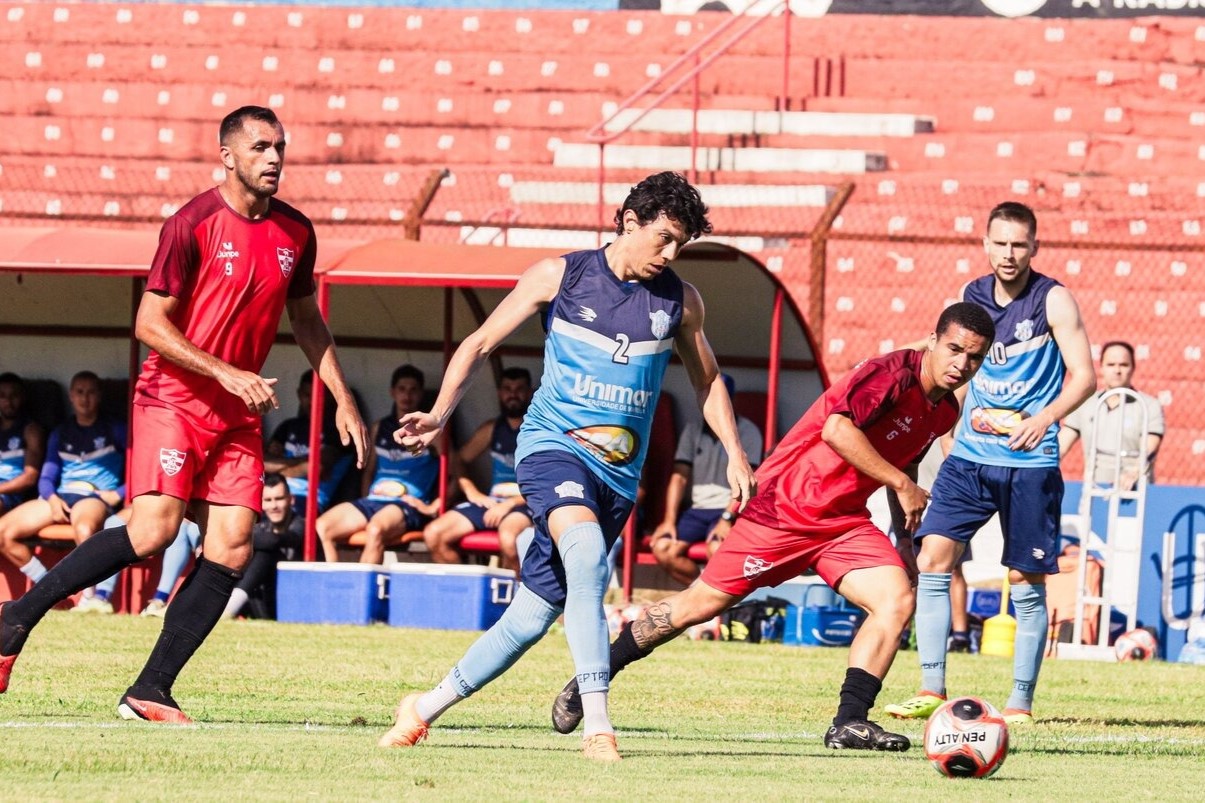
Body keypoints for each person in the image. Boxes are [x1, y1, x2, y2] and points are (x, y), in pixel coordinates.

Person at [0, 106, 367, 723]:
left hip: (239, 411)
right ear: (227, 156)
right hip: (173, 398)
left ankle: (150, 690)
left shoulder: (297, 232)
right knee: (154, 532)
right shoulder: (190, 224)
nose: (274, 158)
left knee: (231, 546)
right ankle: (15, 619)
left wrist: (344, 399)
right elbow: (149, 323)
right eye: (259, 148)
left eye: (280, 147)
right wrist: (224, 370)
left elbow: (306, 320)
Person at [377, 171, 756, 762]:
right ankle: (598, 725)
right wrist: (440, 414)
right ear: (629, 221)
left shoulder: (681, 301)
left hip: (618, 479)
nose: (671, 253)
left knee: (529, 618)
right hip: (552, 447)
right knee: (587, 561)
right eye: (664, 238)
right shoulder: (562, 275)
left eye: (682, 244)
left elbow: (706, 379)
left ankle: (423, 708)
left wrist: (734, 452)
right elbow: (478, 343)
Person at [549, 302, 995, 752]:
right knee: (696, 607)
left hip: (843, 523)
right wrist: (900, 483)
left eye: (974, 357)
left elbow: (906, 465)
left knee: (896, 599)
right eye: (954, 349)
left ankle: (850, 722)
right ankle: (594, 674)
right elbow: (837, 430)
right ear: (934, 341)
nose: (961, 364)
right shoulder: (890, 374)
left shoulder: (943, 412)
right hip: (783, 510)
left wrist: (903, 538)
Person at [886, 201, 1095, 726]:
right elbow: (939, 361)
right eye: (1000, 243)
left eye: (1019, 244)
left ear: (1034, 247)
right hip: (969, 461)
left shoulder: (1054, 301)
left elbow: (1085, 377)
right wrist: (946, 433)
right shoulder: (966, 299)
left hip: (1030, 463)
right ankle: (932, 687)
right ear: (985, 243)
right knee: (932, 558)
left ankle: (1020, 702)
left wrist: (1044, 419)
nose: (1008, 253)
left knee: (1026, 580)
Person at [0, 371, 126, 586]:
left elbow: (140, 467)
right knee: (2, 533)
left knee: (84, 529)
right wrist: (51, 497)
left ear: (100, 395)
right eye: (79, 392)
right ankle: (47, 588)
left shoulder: (116, 428)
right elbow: (47, 476)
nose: (85, 398)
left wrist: (120, 493)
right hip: (60, 496)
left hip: (93, 495)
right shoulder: (61, 431)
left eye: (91, 392)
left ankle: (91, 598)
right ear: (71, 396)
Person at [316, 364, 440, 565]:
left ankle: (363, 592)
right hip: (374, 500)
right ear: (392, 392)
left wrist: (434, 506)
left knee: (375, 529)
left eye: (413, 390)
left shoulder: (431, 432)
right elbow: (369, 471)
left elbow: (456, 472)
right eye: (402, 389)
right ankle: (334, 586)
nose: (407, 395)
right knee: (323, 526)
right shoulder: (379, 427)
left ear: (421, 394)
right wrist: (366, 497)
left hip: (406, 505)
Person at [651, 373, 763, 585]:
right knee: (664, 549)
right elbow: (679, 477)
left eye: (722, 402)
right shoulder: (693, 430)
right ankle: (700, 595)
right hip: (697, 510)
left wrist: (728, 518)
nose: (716, 407)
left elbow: (748, 480)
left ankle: (716, 607)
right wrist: (668, 520)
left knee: (718, 550)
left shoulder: (748, 432)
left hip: (729, 509)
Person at [423, 366, 534, 571]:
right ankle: (465, 597)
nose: (513, 394)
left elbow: (547, 482)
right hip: (492, 503)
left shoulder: (539, 430)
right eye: (507, 388)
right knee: (433, 534)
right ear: (500, 393)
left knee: (510, 541)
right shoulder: (493, 428)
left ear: (529, 393)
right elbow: (458, 460)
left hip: (525, 503)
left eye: (519, 389)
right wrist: (471, 491)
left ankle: (514, 601)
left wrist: (509, 504)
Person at [1058, 340, 1164, 490]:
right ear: (1101, 367)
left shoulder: (1149, 405)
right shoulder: (1085, 404)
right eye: (1111, 364)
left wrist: (1133, 474)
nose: (1117, 370)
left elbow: (1150, 449)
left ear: (1133, 368)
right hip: (1094, 489)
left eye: (1124, 364)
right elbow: (1061, 446)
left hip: (1134, 490)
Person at [74, 507, 201, 616]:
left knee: (183, 529)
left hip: (198, 510)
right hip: (157, 505)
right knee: (114, 521)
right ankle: (100, 596)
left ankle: (161, 600)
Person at [264, 369, 356, 517]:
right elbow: (262, 464)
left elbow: (316, 468)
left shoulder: (338, 432)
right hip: (276, 496)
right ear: (299, 395)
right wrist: (303, 462)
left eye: (318, 395)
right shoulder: (288, 427)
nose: (313, 401)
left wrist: (278, 465)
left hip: (309, 501)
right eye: (307, 395)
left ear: (329, 396)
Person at [223, 472, 304, 620]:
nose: (274, 506)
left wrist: (235, 538)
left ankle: (229, 608)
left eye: (279, 499)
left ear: (291, 500)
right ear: (261, 503)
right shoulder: (261, 526)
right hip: (259, 596)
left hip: (292, 596)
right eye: (268, 500)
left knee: (264, 552)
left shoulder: (300, 523)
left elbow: (279, 540)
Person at [0, 373, 46, 516]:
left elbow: (30, 478)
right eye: (2, 396)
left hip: (8, 495)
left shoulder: (31, 430)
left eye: (14, 395)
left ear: (23, 397)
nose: (8, 401)